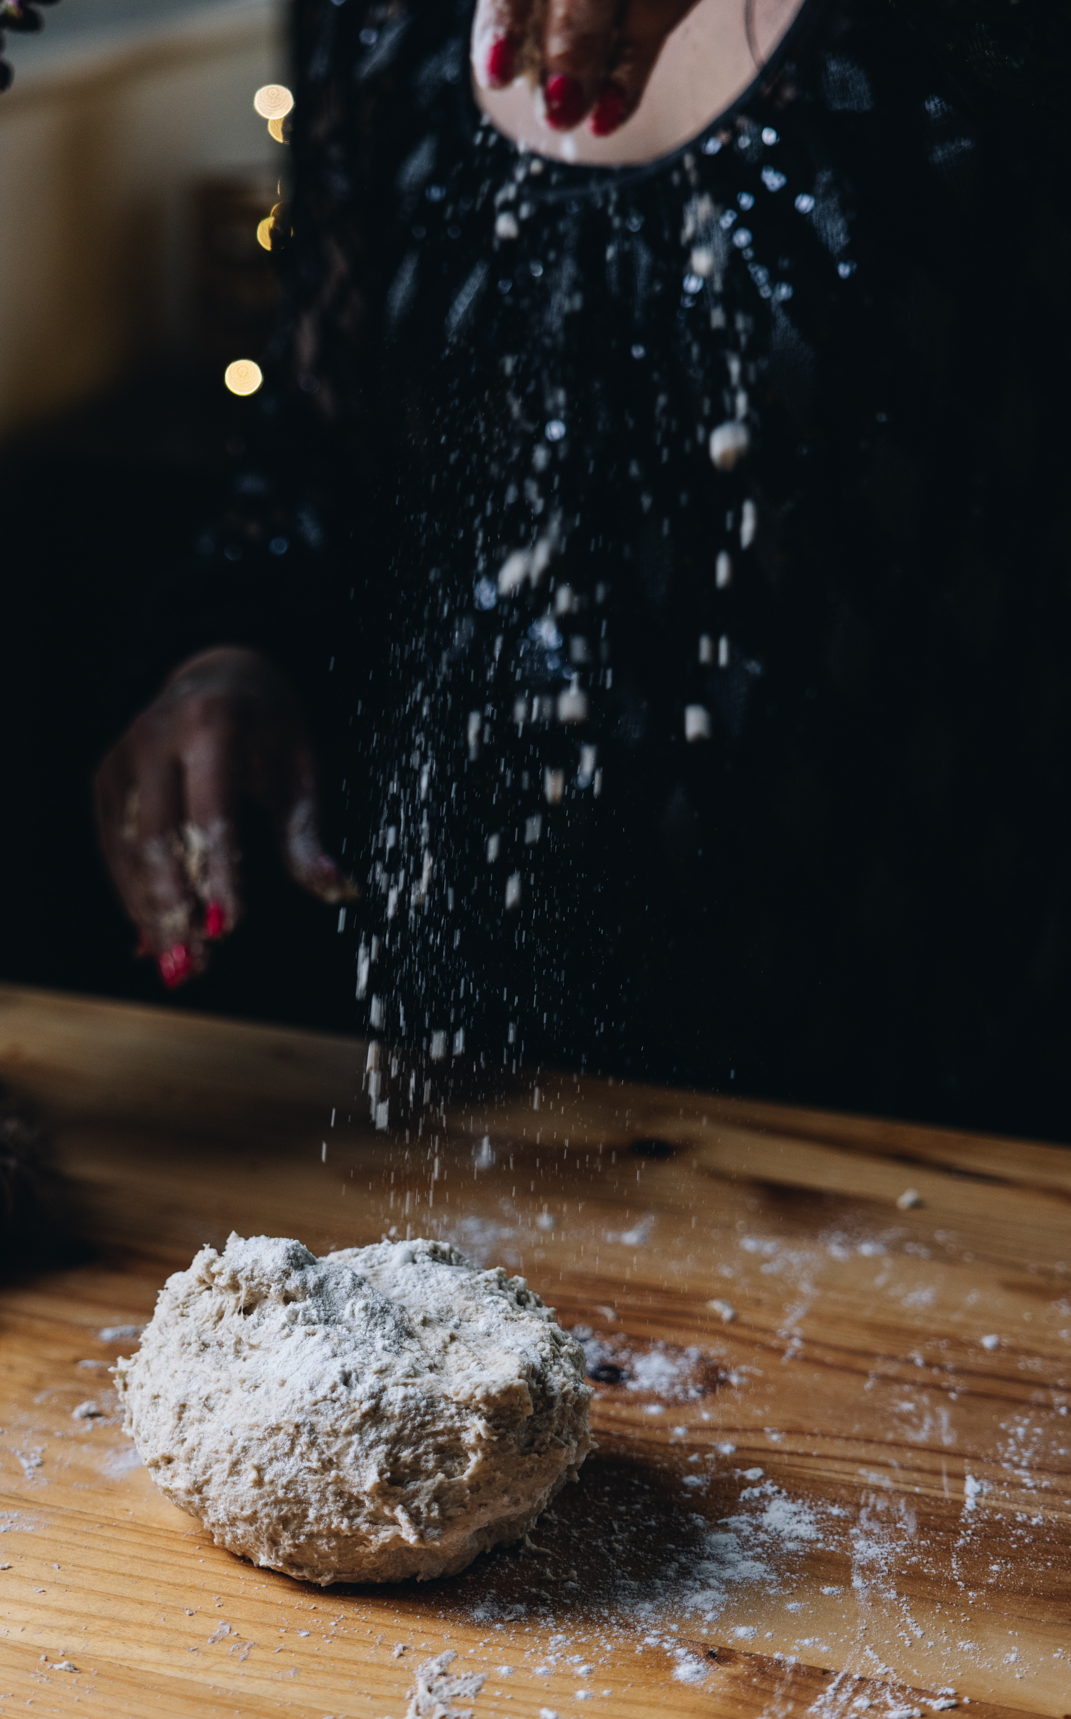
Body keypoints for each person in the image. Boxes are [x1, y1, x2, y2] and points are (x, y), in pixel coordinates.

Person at [95, 0, 1071, 1138]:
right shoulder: (379, 23)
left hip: (940, 1067)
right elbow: (321, 452)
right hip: (482, 1080)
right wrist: (229, 652)